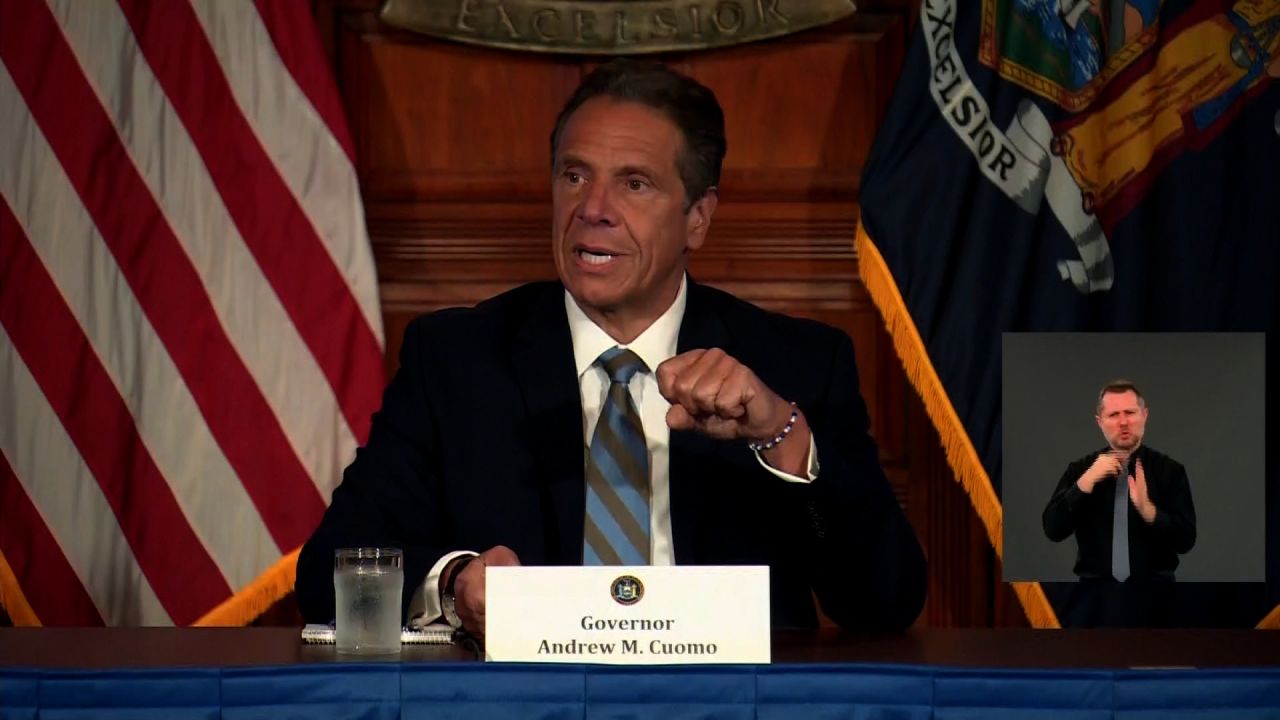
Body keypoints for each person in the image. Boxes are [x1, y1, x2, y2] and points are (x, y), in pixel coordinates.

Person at [296, 59, 926, 635]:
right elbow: (329, 570)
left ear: (698, 218)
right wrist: (457, 584)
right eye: (575, 176)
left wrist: (782, 436)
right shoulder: (457, 359)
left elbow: (885, 603)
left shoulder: (795, 364)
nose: (592, 209)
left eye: (635, 184)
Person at [1042, 381, 1197, 587]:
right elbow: (1053, 529)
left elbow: (1186, 541)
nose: (1123, 422)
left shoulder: (1170, 471)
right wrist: (1085, 483)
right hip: (1093, 597)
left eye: (1130, 413)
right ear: (1100, 422)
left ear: (1145, 415)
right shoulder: (1079, 471)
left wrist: (1149, 511)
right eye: (1114, 415)